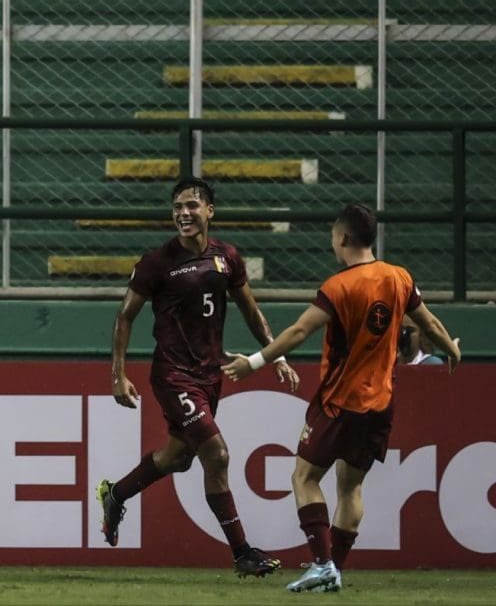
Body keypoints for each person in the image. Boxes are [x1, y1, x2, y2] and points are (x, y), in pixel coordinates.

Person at [221, 204, 461, 593]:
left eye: (334, 236)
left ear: (344, 238)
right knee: (350, 488)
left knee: (304, 477)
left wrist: (253, 362)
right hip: (380, 404)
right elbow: (427, 322)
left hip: (339, 402)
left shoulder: (339, 286)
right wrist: (451, 348)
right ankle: (334, 569)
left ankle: (321, 563)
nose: (333, 242)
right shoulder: (400, 277)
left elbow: (300, 331)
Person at [97, 177, 299, 578]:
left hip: (210, 375)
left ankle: (116, 493)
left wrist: (274, 355)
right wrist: (118, 375)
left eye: (192, 205)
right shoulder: (157, 262)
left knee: (177, 457)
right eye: (177, 207)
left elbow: (250, 309)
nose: (183, 213)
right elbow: (125, 316)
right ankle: (242, 552)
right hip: (173, 375)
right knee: (217, 455)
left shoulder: (227, 257)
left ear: (210, 211)